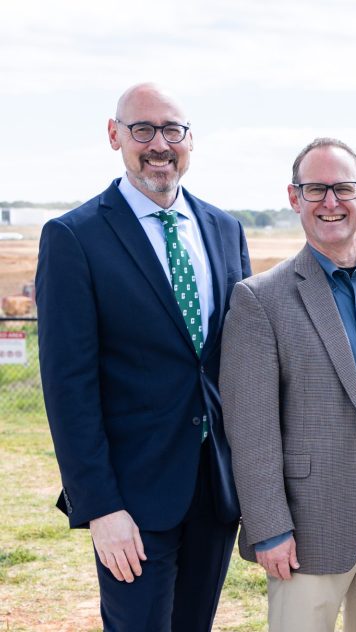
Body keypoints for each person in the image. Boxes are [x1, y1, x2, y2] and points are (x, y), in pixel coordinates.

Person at [36, 82, 251, 631]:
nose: (160, 144)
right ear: (115, 136)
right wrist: (100, 507)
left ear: (190, 140)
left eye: (172, 130)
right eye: (143, 130)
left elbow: (234, 361)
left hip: (213, 488)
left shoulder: (224, 230)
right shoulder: (74, 237)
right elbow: (69, 388)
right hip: (130, 500)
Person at [220, 138, 356, 631]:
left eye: (343, 188)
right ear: (294, 198)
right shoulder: (260, 300)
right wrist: (269, 529)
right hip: (308, 525)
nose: (330, 202)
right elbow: (251, 430)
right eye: (315, 189)